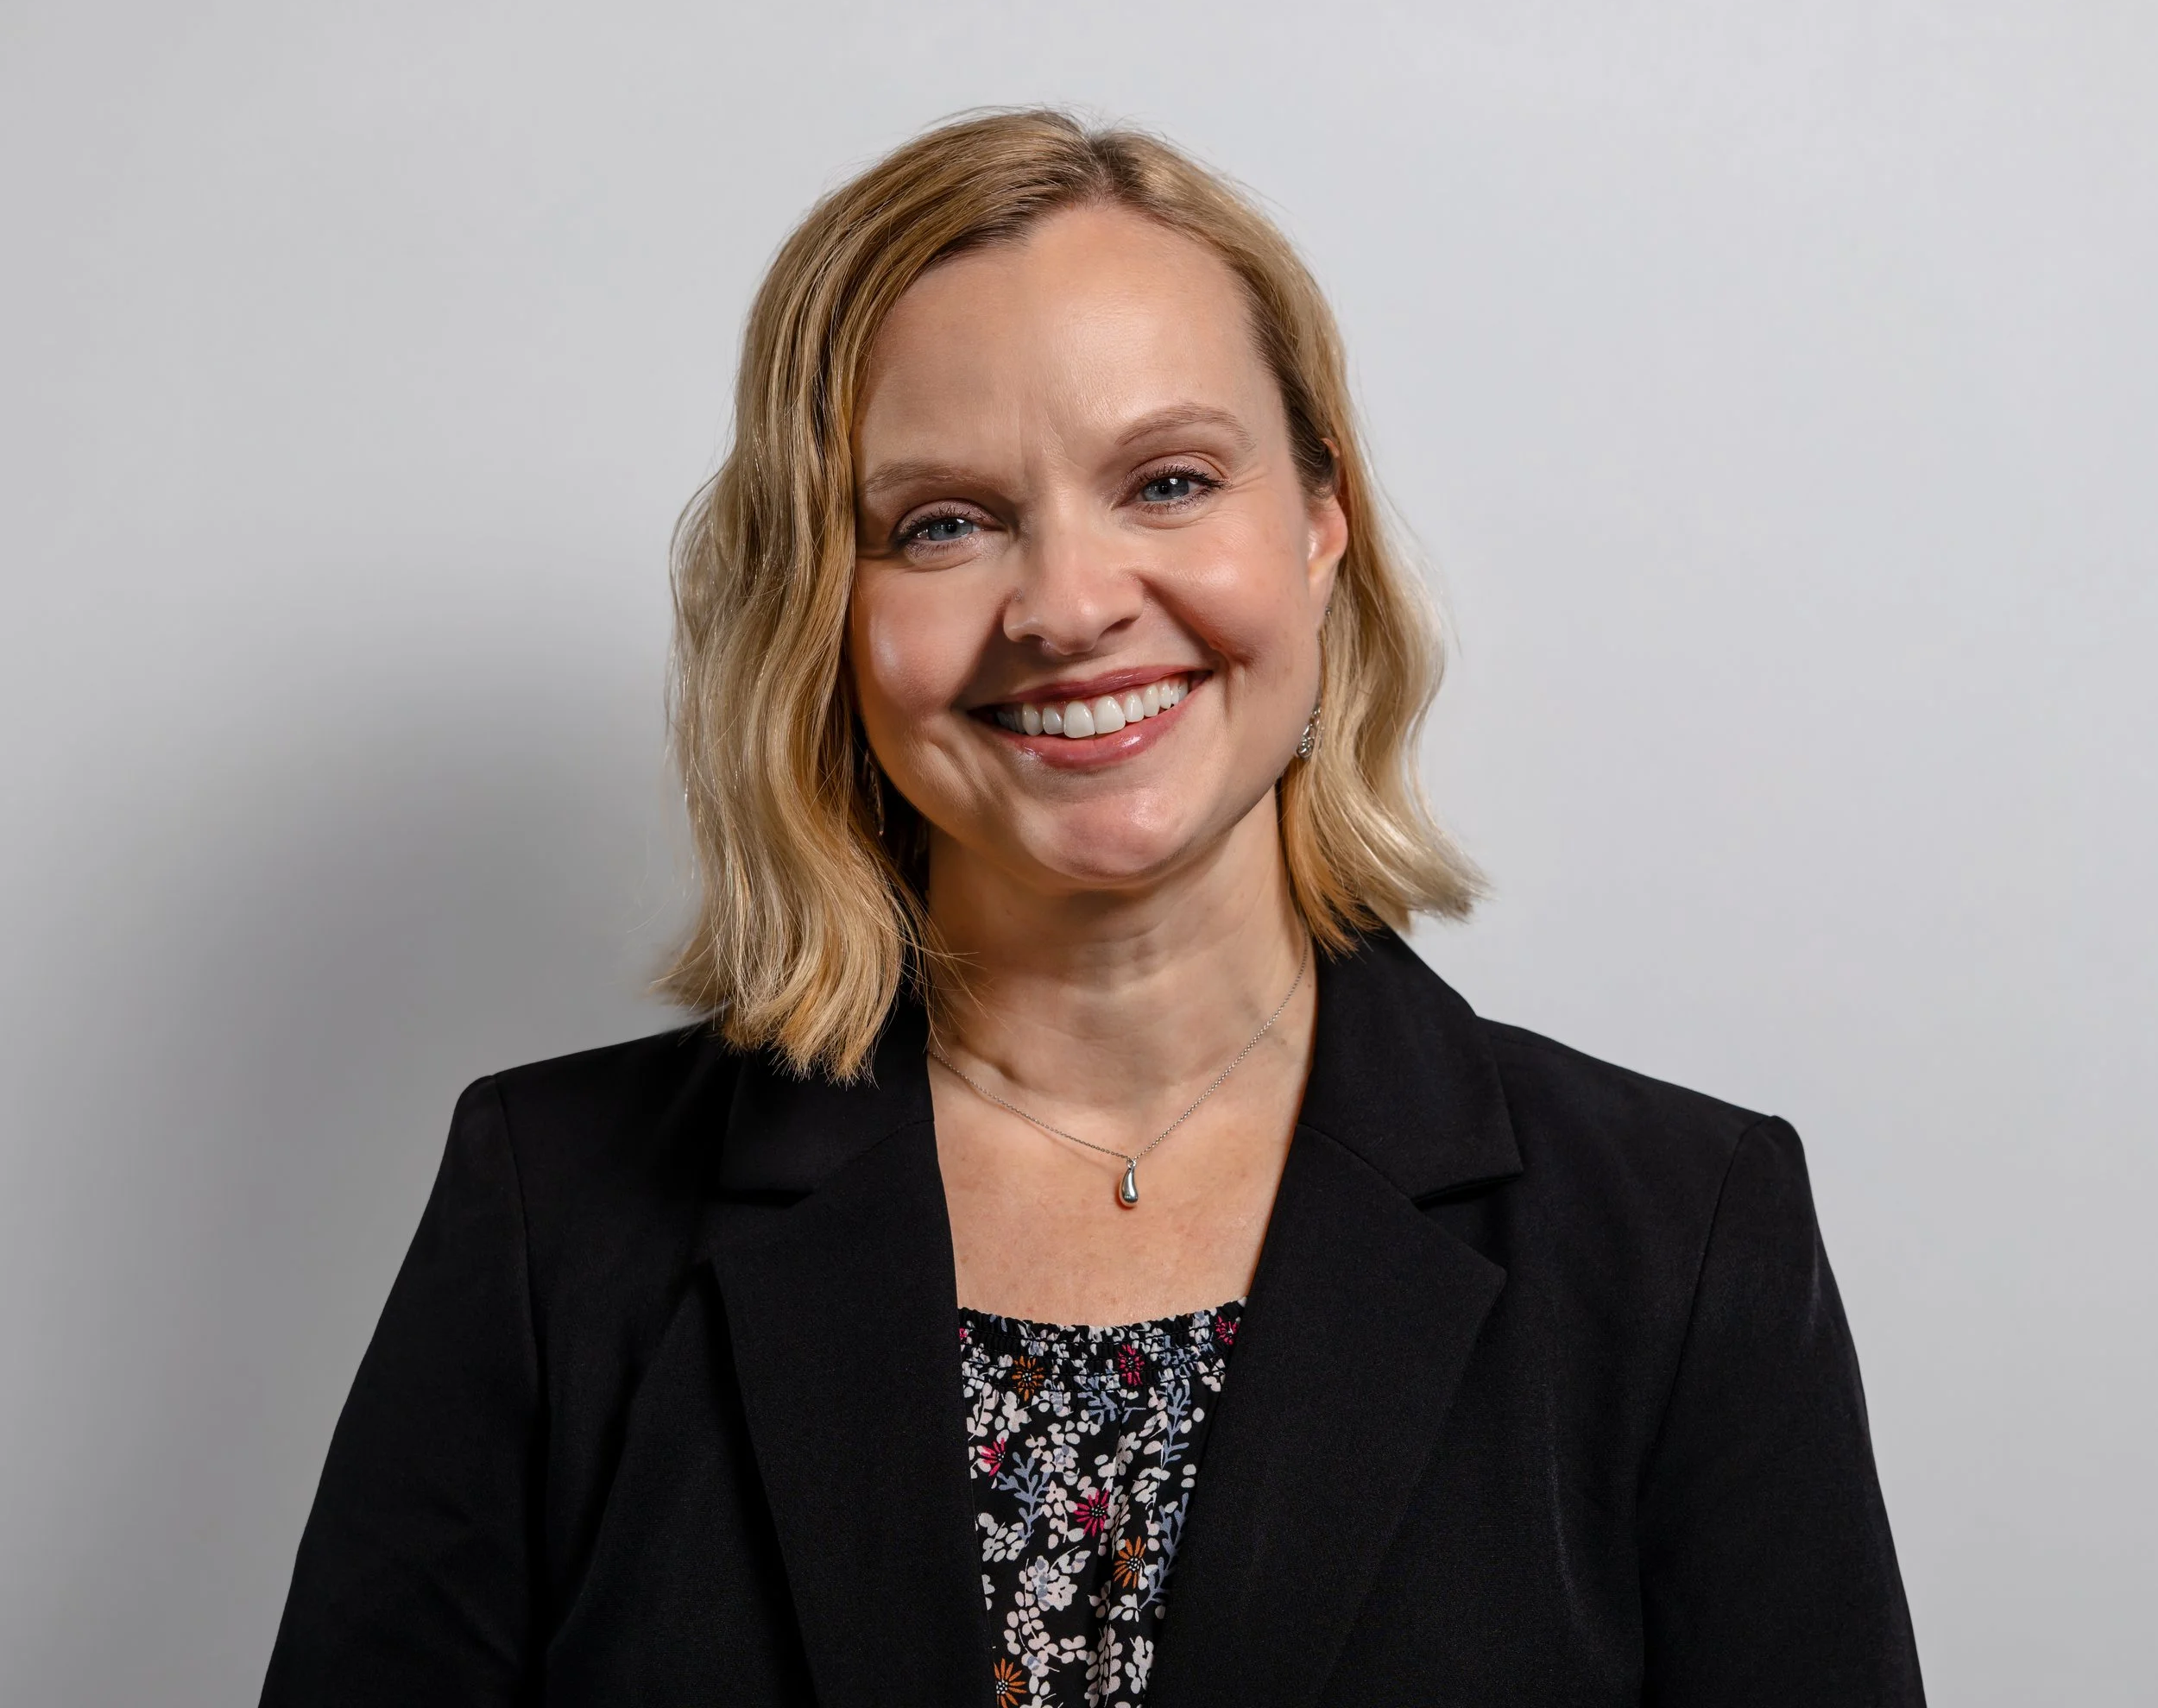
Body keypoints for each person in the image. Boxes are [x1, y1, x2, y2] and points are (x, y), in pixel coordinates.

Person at [261, 110, 1924, 1707]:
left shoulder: (1686, 1238)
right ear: (819, 612)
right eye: (943, 523)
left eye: (1173, 482)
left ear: (1322, 522)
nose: (1066, 605)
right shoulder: (555, 1223)